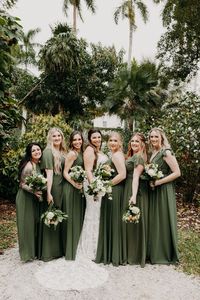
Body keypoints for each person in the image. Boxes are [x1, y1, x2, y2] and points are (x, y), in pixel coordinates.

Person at [148, 127, 180, 264]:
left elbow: (177, 172)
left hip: (164, 190)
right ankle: (156, 250)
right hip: (155, 190)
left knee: (163, 219)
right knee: (157, 220)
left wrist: (158, 182)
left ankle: (165, 253)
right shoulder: (154, 152)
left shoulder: (166, 152)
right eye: (151, 137)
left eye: (156, 137)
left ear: (162, 137)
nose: (153, 139)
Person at [76, 128, 108, 261]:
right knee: (93, 214)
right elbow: (88, 170)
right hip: (92, 185)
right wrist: (95, 187)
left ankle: (97, 247)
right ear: (90, 139)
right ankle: (90, 250)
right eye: (94, 137)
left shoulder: (99, 150)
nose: (97, 139)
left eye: (99, 137)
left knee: (97, 214)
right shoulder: (89, 150)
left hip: (98, 183)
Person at [96, 132, 126, 266]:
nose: (112, 143)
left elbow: (122, 175)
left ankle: (113, 254)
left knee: (113, 221)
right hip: (112, 189)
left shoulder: (116, 156)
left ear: (120, 143)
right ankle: (112, 252)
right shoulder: (115, 154)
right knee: (113, 220)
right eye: (110, 140)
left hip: (114, 190)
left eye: (115, 140)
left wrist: (106, 185)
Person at [39, 127, 66, 261]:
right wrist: (49, 193)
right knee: (52, 213)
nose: (57, 138)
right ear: (50, 138)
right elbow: (49, 174)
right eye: (54, 136)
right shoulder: (48, 152)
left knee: (59, 215)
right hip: (54, 185)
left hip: (62, 185)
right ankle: (49, 251)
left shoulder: (60, 151)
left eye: (59, 136)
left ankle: (58, 249)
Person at [122, 132, 149, 267]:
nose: (134, 143)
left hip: (134, 190)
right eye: (132, 141)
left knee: (133, 221)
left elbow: (136, 177)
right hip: (129, 187)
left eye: (137, 141)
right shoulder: (133, 155)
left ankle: (134, 255)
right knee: (130, 221)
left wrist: (133, 195)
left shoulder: (138, 157)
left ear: (142, 144)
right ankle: (129, 252)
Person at [16, 142, 42, 262]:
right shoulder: (29, 166)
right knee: (26, 225)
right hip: (25, 198)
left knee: (33, 224)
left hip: (32, 198)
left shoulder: (38, 164)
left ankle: (33, 251)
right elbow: (22, 184)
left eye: (38, 149)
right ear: (29, 153)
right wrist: (34, 192)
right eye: (33, 151)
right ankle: (26, 254)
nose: (37, 152)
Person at [62, 131, 85, 260]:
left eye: (79, 139)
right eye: (75, 140)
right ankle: (70, 250)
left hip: (78, 189)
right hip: (71, 188)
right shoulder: (72, 153)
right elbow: (65, 172)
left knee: (78, 217)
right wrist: (74, 183)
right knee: (72, 218)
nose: (77, 142)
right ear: (71, 142)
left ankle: (77, 247)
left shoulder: (80, 153)